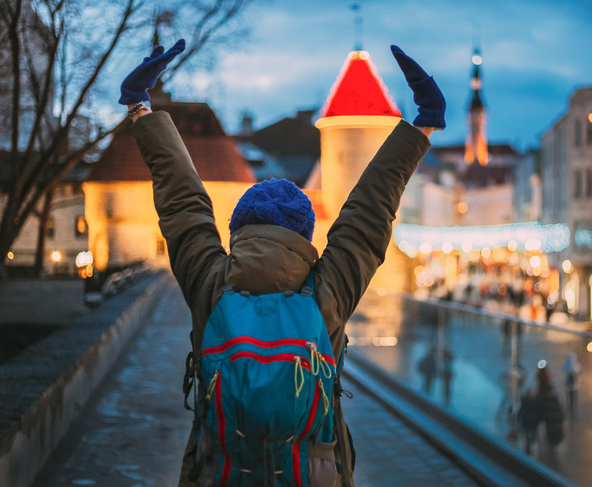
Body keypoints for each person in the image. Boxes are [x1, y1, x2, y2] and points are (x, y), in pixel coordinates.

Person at [118, 40, 446, 487]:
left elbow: (183, 204)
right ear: (304, 234)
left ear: (238, 229)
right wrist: (421, 125)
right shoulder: (326, 293)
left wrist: (142, 108)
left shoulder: (213, 286)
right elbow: (369, 211)